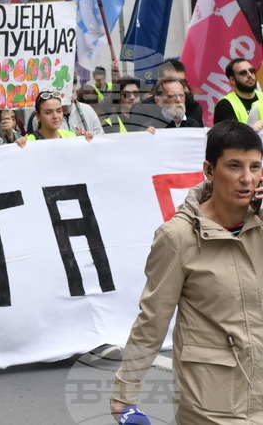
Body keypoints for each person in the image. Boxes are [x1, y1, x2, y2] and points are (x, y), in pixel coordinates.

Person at [111, 121, 263, 422]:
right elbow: (152, 319)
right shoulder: (177, 237)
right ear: (208, 169)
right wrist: (124, 394)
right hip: (213, 404)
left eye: (255, 167)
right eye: (234, 166)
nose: (247, 178)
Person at [17, 92, 95, 144]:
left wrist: (88, 140)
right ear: (38, 115)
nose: (55, 116)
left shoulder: (70, 136)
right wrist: (17, 147)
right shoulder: (29, 142)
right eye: (48, 112)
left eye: (59, 111)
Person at [139, 79, 204, 130]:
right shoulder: (149, 128)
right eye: (172, 96)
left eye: (181, 95)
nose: (178, 100)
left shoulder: (194, 126)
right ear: (159, 101)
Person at [213, 58, 262, 124]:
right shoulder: (224, 106)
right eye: (243, 73)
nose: (250, 75)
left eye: (251, 71)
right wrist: (251, 129)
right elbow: (227, 133)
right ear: (232, 80)